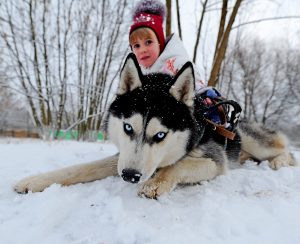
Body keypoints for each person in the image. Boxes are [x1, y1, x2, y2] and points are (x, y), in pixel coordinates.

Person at [128, 0, 241, 130]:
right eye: (136, 45)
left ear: (160, 42)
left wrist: (201, 96)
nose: (142, 49)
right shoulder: (140, 75)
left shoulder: (172, 63)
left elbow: (193, 80)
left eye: (148, 42)